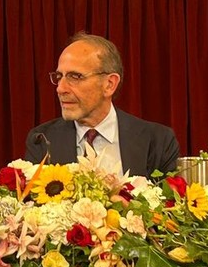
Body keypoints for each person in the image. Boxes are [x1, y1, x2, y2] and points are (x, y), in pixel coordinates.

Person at [24, 32, 179, 177]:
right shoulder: (41, 140)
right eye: (59, 76)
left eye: (75, 76)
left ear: (109, 84)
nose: (60, 88)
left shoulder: (157, 141)